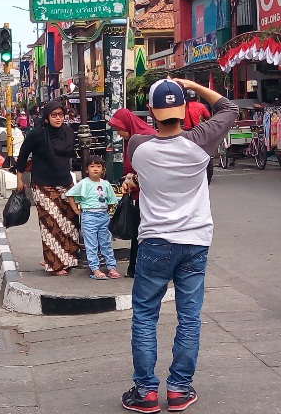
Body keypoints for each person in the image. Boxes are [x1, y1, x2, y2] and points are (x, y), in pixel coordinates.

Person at [121, 78, 236, 414]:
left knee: (144, 315)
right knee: (189, 317)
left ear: (153, 112)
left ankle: (145, 392)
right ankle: (179, 390)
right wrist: (192, 86)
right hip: (195, 241)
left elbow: (137, 128)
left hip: (155, 242)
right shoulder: (200, 143)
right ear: (185, 110)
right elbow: (227, 107)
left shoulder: (138, 147)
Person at [14, 100, 79, 276]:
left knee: (70, 223)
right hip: (43, 184)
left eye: (61, 115)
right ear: (47, 116)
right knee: (52, 224)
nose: (58, 118)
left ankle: (67, 259)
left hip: (66, 182)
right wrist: (19, 180)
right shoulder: (37, 134)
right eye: (54, 115)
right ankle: (55, 264)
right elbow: (22, 156)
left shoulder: (68, 132)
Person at [107, 109, 157, 278]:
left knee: (146, 232)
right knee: (139, 232)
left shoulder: (147, 137)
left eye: (119, 129)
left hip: (150, 195)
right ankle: (135, 268)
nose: (119, 134)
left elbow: (152, 169)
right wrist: (126, 181)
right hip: (137, 194)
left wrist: (132, 181)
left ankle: (143, 268)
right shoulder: (132, 140)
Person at [66, 155, 121, 280]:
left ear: (103, 169)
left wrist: (107, 211)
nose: (95, 169)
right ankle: (95, 269)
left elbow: (111, 200)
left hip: (103, 216)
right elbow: (70, 194)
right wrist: (76, 209)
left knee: (106, 243)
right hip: (89, 216)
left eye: (98, 166)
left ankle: (111, 267)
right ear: (86, 170)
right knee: (91, 244)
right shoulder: (84, 183)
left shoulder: (106, 184)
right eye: (92, 166)